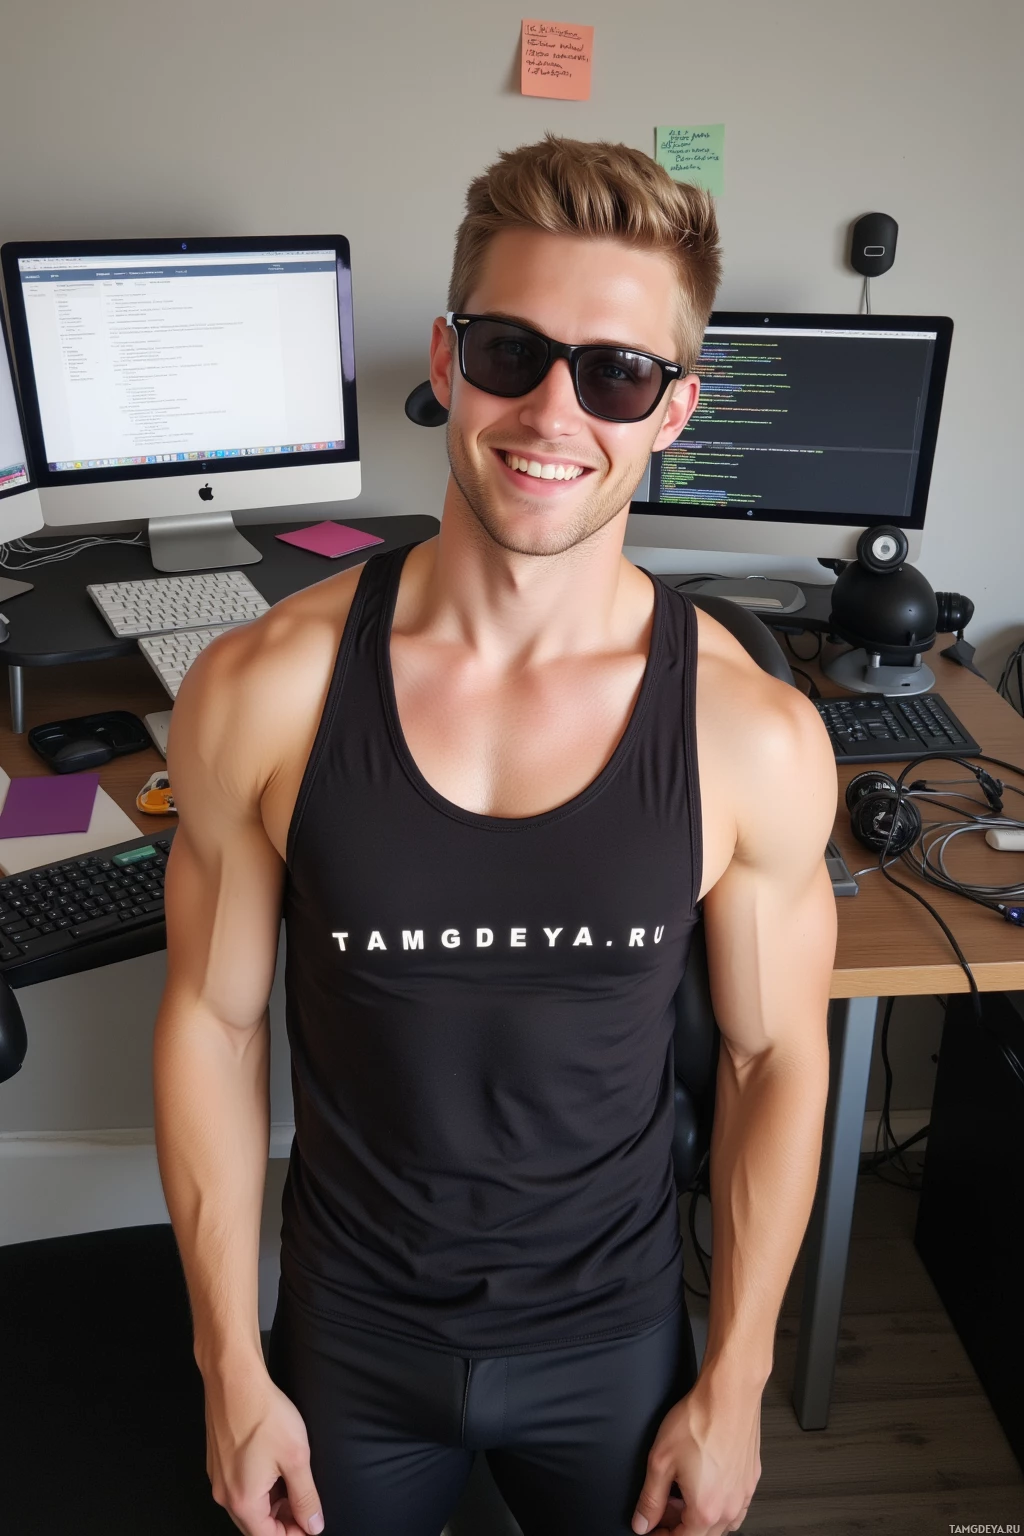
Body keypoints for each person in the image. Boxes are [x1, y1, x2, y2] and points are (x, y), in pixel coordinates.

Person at [154, 134, 837, 1536]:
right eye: (514, 350)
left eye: (617, 372)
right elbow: (211, 1026)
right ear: (448, 356)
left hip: (618, 1346)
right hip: (350, 1338)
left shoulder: (749, 733)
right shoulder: (261, 689)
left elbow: (776, 1061)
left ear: (674, 410)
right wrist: (231, 1363)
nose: (551, 412)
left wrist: (738, 1381)